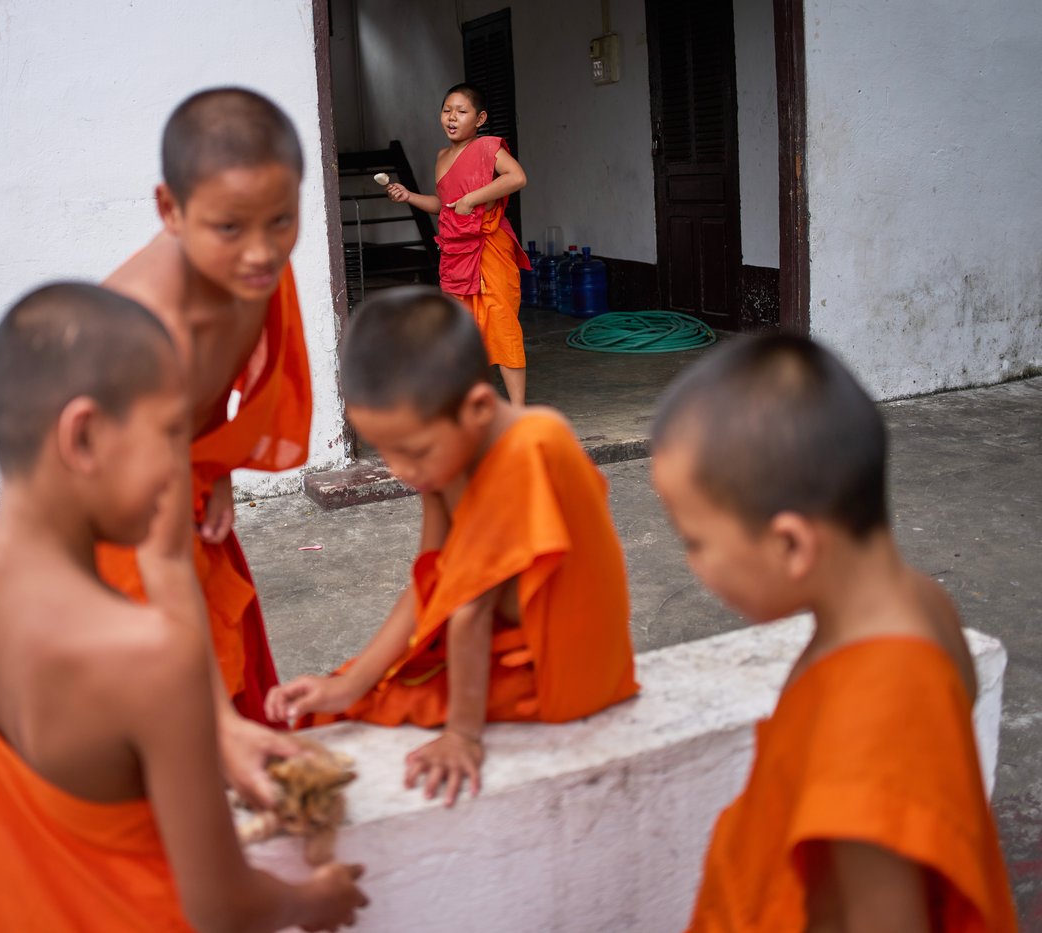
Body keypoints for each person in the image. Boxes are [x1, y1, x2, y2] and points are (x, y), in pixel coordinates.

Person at [0, 283, 367, 932]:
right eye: (167, 437)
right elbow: (221, 904)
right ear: (85, 437)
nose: (182, 471)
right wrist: (310, 899)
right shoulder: (152, 655)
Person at [649, 334, 1017, 932]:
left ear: (791, 544)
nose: (692, 565)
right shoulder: (924, 602)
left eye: (696, 541)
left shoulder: (874, 710)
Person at [266, 288, 637, 807]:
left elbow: (468, 609)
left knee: (384, 701)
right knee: (344, 696)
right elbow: (432, 582)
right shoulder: (446, 459)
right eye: (386, 452)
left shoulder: (535, 445)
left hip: (559, 671)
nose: (401, 471)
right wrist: (354, 682)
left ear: (479, 407)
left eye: (413, 451)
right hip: (496, 642)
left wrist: (463, 735)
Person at [94, 87, 314, 806]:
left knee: (231, 666)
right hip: (110, 523)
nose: (262, 252)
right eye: (230, 227)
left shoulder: (249, 263)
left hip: (179, 478)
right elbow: (152, 553)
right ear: (170, 210)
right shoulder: (141, 333)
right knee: (168, 724)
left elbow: (215, 392)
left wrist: (211, 462)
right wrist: (214, 724)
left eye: (282, 220)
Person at [385, 82, 531, 406]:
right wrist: (408, 196)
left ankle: (518, 411)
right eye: (447, 110)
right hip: (455, 251)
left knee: (501, 324)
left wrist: (473, 198)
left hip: (489, 245)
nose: (452, 118)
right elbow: (444, 204)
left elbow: (517, 177)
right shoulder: (440, 157)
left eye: (461, 112)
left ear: (479, 119)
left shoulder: (488, 148)